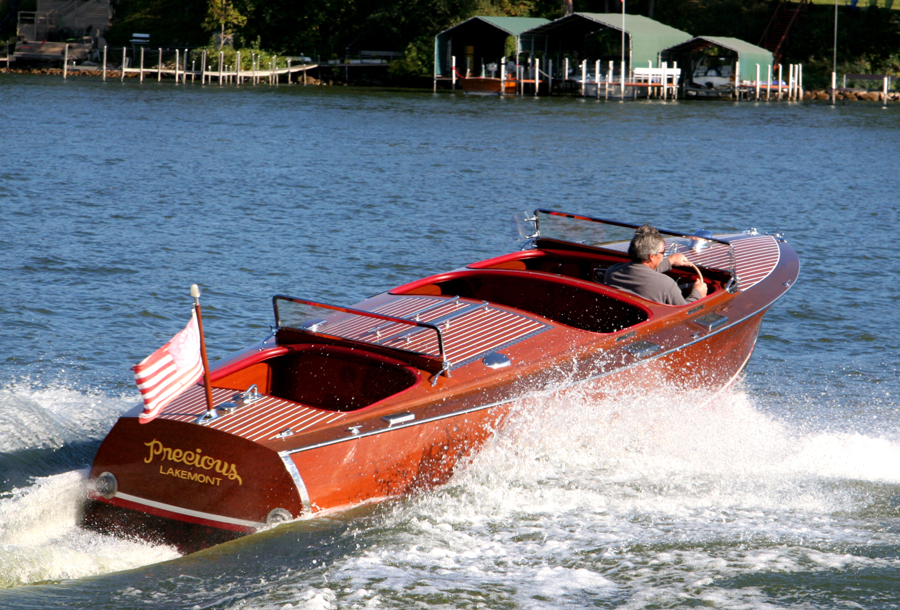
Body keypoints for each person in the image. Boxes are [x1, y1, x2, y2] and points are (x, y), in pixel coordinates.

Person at [604, 224, 707, 305]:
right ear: (651, 256)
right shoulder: (667, 285)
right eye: (663, 253)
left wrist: (669, 261)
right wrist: (697, 293)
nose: (663, 255)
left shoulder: (612, 272)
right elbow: (684, 312)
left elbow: (641, 272)